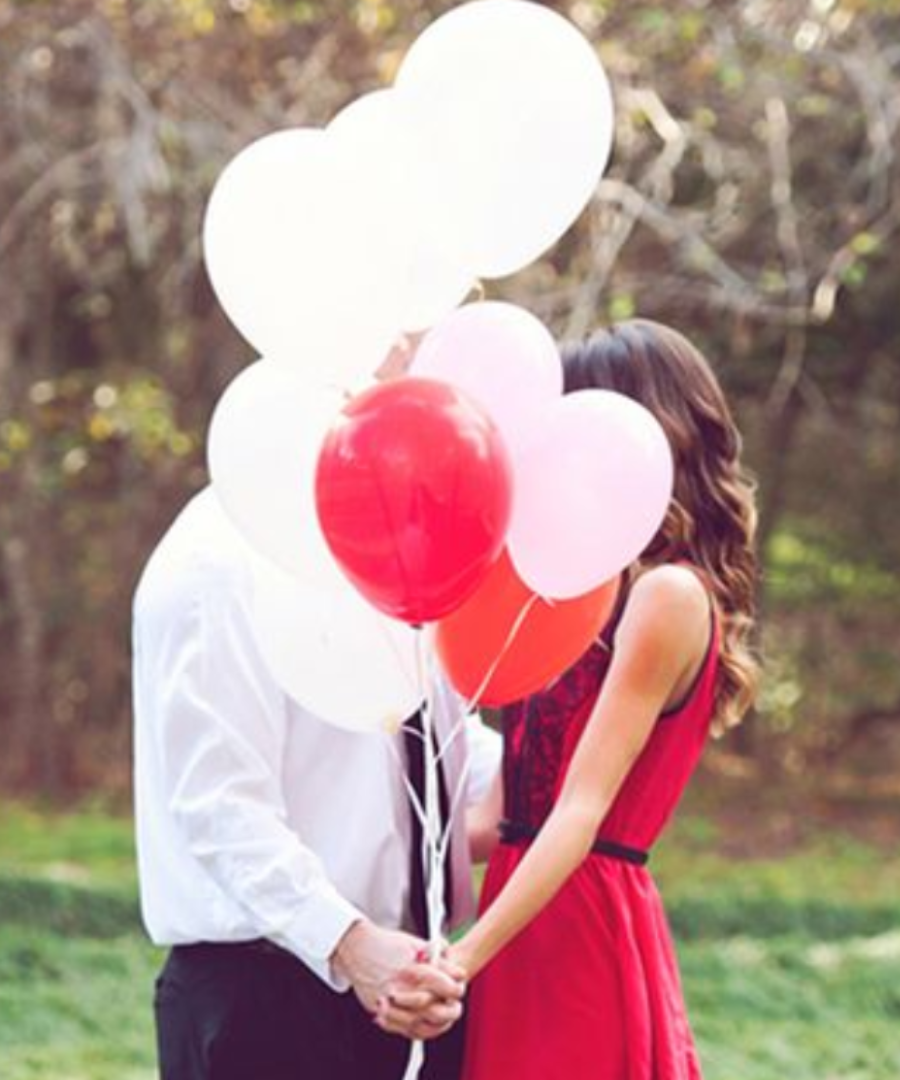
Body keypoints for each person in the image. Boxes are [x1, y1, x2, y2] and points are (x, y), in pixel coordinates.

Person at [376, 319, 760, 1079]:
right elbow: (500, 820)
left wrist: (463, 960)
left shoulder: (669, 595)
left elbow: (580, 810)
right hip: (517, 917)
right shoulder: (561, 592)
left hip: (579, 929)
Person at [132, 473, 500, 1076]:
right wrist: (348, 944)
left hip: (417, 986)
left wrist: (564, 760)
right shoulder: (215, 562)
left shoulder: (395, 540)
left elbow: (436, 741)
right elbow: (220, 807)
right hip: (267, 1001)